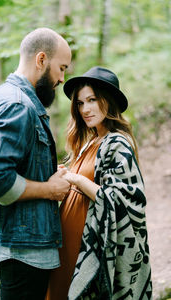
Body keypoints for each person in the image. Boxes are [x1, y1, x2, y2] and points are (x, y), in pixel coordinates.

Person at [0, 27, 72, 300]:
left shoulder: (14, 97)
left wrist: (47, 176)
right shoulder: (17, 104)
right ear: (41, 60)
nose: (62, 78)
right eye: (61, 68)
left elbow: (14, 166)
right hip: (22, 249)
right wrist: (49, 190)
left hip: (22, 243)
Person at [46, 66, 152, 299]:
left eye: (92, 100)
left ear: (108, 100)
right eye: (81, 103)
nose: (85, 109)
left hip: (89, 243)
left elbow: (122, 199)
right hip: (67, 240)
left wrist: (74, 178)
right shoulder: (90, 141)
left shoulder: (117, 144)